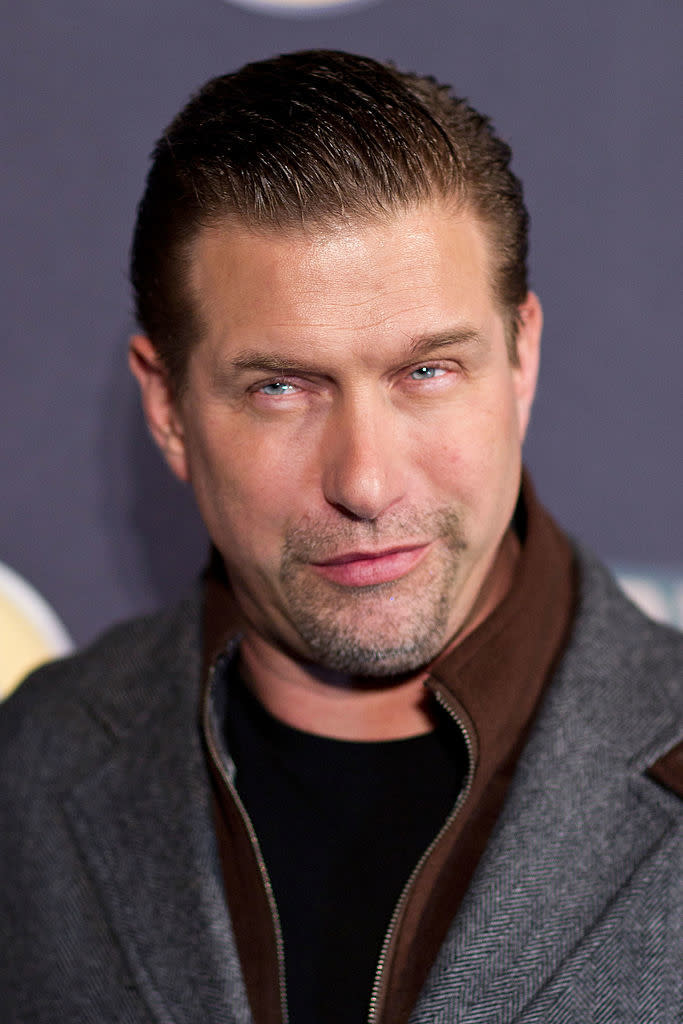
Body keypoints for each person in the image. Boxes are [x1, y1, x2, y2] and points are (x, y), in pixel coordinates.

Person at [1, 50, 680, 1024]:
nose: (363, 481)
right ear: (168, 408)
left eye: (426, 372)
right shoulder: (26, 773)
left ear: (519, 358)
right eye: (279, 388)